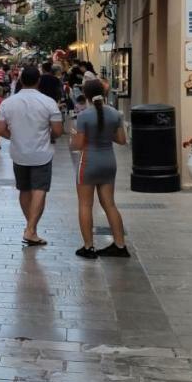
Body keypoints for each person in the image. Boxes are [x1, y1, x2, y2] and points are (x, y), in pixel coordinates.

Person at [0, 65, 63, 246]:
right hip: (42, 153)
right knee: (40, 190)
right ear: (38, 81)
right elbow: (58, 130)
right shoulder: (49, 102)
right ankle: (31, 229)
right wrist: (49, 137)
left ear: (21, 80)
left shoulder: (8, 103)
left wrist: (15, 137)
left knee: (24, 190)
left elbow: (0, 129)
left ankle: (31, 227)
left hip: (19, 153)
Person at [72, 78, 130, 259]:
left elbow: (79, 144)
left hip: (89, 162)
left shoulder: (83, 116)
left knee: (85, 205)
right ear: (105, 94)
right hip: (108, 162)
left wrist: (74, 139)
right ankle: (120, 245)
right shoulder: (114, 114)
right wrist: (105, 135)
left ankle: (88, 247)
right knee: (110, 204)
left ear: (86, 96)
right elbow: (121, 140)